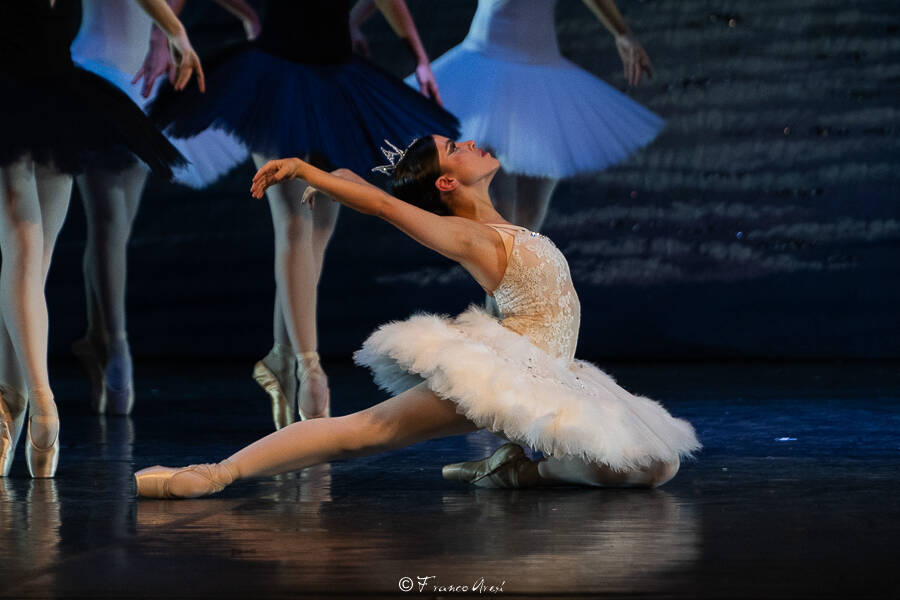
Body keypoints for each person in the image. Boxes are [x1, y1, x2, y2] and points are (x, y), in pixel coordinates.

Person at [134, 134, 699, 498]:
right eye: (455, 148)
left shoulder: (504, 228)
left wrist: (343, 179)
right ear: (448, 182)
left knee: (654, 467)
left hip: (556, 375)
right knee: (363, 433)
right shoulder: (469, 236)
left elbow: (383, 194)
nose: (470, 142)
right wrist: (310, 171)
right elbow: (387, 206)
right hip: (507, 372)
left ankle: (518, 470)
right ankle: (216, 474)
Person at [148, 0, 459, 431]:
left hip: (337, 75)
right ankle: (309, 370)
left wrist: (417, 55)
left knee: (319, 232)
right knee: (295, 223)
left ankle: (281, 357)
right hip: (277, 74)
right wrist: (165, 36)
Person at [0, 0, 203, 478]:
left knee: (28, 267)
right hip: (17, 98)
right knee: (25, 253)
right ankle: (39, 405)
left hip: (56, 99)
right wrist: (173, 30)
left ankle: (14, 403)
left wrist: (173, 30)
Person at [69, 0, 254, 415]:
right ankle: (113, 347)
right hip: (105, 78)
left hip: (121, 78)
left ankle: (105, 343)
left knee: (108, 228)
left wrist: (163, 32)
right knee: (110, 226)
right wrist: (167, 32)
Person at [384, 0, 662, 232]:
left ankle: (517, 280)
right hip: (488, 70)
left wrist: (622, 32)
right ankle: (499, 280)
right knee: (502, 214)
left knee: (530, 218)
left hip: (543, 69)